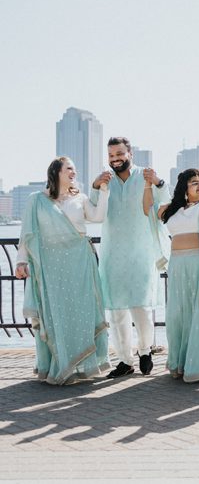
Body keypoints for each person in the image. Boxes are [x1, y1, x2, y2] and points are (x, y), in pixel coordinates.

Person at [15, 157, 111, 384]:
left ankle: (82, 366)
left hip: (80, 263)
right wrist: (21, 262)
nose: (73, 172)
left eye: (75, 169)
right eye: (69, 168)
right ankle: (57, 365)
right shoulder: (36, 200)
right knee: (55, 314)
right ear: (56, 171)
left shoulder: (80, 198)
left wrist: (104, 190)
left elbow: (98, 216)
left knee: (81, 312)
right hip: (50, 267)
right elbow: (27, 234)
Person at [145, 169, 199, 382]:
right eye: (195, 182)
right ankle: (181, 363)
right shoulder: (173, 210)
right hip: (178, 267)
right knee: (179, 315)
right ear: (184, 187)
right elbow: (148, 209)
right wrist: (150, 183)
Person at [92, 137, 168, 378]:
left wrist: (157, 181)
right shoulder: (105, 181)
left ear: (130, 153)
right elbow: (94, 212)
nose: (115, 159)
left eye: (119, 154)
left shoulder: (144, 177)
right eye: (111, 156)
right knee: (116, 312)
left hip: (141, 252)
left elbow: (164, 201)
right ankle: (124, 360)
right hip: (112, 254)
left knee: (141, 307)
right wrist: (95, 186)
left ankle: (145, 351)